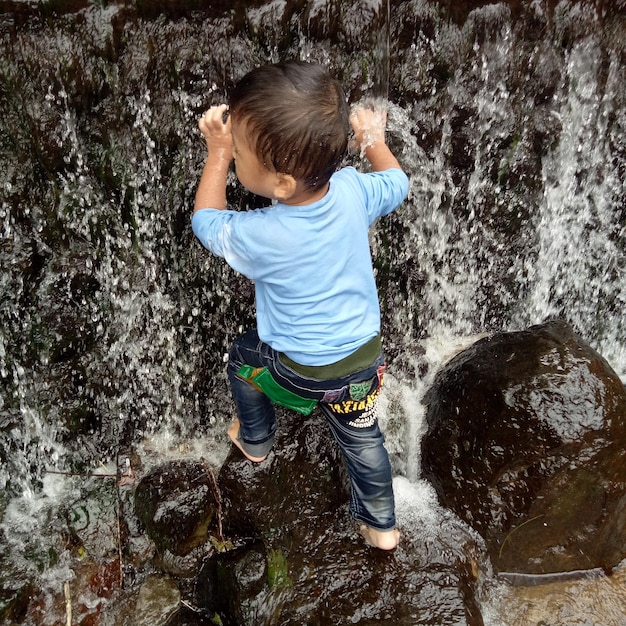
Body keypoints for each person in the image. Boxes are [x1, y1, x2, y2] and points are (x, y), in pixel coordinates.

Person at [192, 61, 409, 550]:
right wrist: (372, 138)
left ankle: (256, 438)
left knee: (242, 358)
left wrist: (218, 153)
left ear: (284, 184)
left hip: (302, 371)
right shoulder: (354, 190)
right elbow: (398, 184)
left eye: (244, 152)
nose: (237, 154)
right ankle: (382, 527)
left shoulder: (260, 235)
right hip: (363, 364)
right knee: (363, 438)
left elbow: (206, 222)